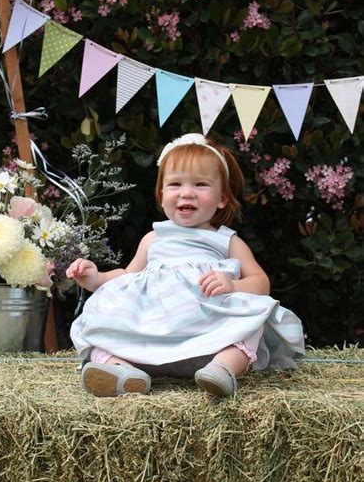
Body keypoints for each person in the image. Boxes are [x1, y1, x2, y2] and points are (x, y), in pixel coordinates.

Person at [67, 133, 304, 398]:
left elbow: (261, 283)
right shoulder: (154, 238)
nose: (186, 193)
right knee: (95, 322)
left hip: (209, 340)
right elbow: (126, 275)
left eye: (201, 185)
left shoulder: (226, 241)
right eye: (175, 184)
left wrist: (233, 285)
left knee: (255, 316)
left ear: (222, 198)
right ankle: (122, 371)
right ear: (161, 194)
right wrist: (96, 278)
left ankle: (223, 370)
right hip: (151, 336)